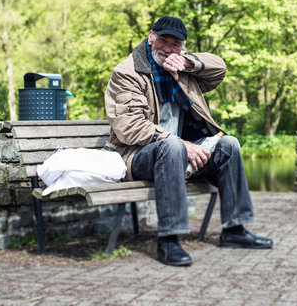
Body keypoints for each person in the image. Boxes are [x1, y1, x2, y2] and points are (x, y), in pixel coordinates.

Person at [104, 16, 273, 266]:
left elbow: (220, 68)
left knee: (229, 145)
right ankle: (169, 240)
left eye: (176, 44)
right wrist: (182, 144)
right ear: (151, 36)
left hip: (177, 153)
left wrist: (187, 62)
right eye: (163, 40)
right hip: (136, 156)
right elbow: (130, 127)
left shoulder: (183, 68)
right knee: (172, 146)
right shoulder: (128, 71)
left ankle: (234, 231)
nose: (168, 48)